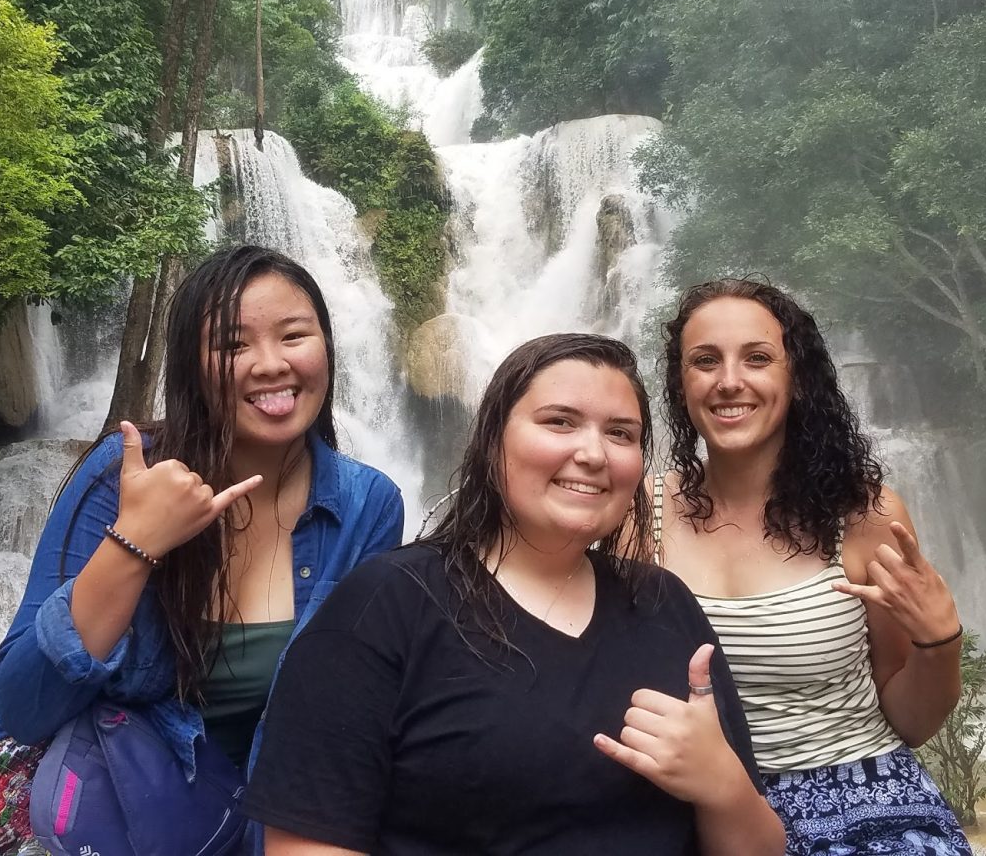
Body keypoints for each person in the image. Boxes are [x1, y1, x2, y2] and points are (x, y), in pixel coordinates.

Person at [0, 245, 406, 856]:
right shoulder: (122, 474)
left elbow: (342, 721)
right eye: (233, 346)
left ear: (326, 346)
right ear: (192, 365)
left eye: (294, 335)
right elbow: (27, 706)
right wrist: (136, 544)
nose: (270, 365)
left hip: (247, 809)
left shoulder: (369, 506)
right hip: (73, 781)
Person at [243, 332, 786, 856]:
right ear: (492, 440)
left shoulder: (663, 602)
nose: (593, 453)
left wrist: (723, 785)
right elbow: (306, 842)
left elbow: (761, 849)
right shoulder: (384, 605)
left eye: (621, 434)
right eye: (559, 422)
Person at [651, 278, 970, 855]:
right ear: (680, 384)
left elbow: (911, 722)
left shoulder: (864, 516)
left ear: (796, 378)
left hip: (861, 800)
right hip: (689, 805)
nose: (729, 381)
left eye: (757, 358)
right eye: (704, 361)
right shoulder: (635, 517)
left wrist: (939, 640)